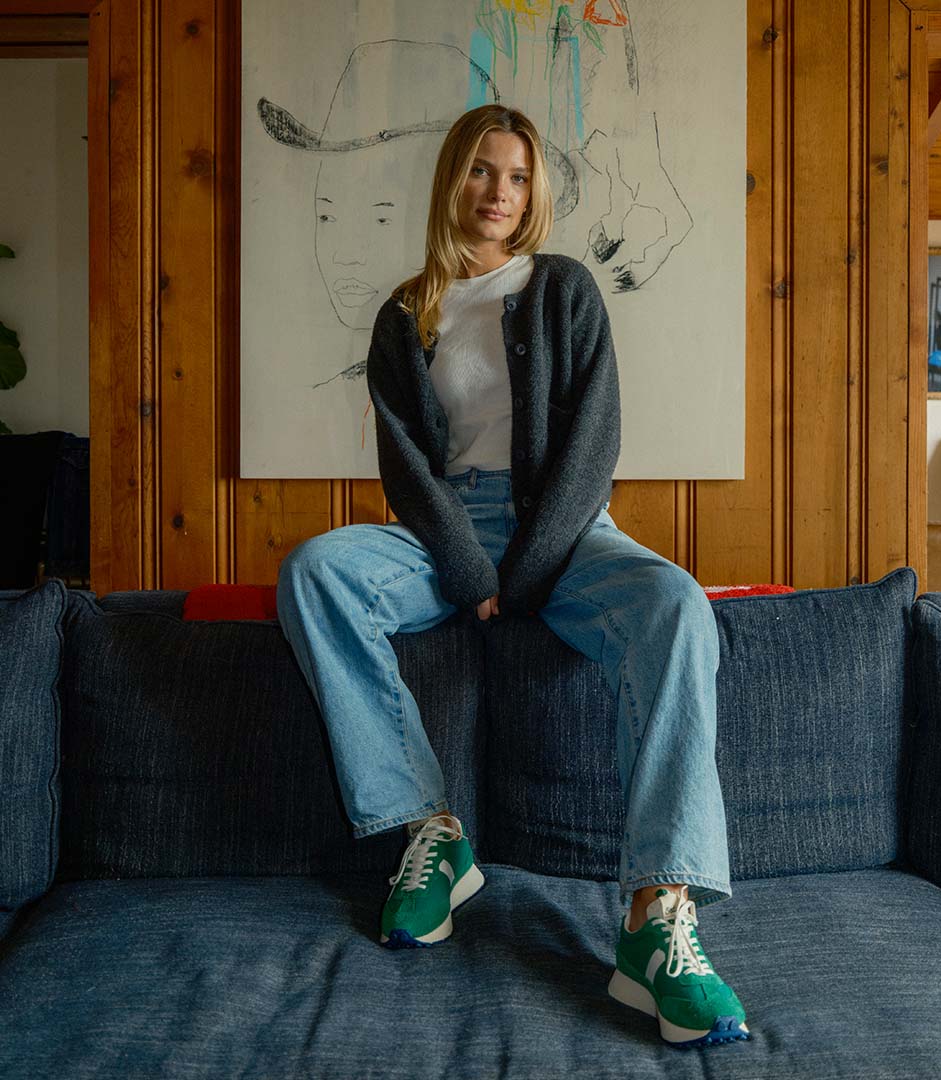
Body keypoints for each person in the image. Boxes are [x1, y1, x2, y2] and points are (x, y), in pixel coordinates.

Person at [276, 103, 750, 1050]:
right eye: (484, 171)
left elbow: (592, 443)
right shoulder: (403, 312)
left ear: (535, 192)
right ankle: (430, 831)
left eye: (519, 176)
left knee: (675, 605)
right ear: (454, 176)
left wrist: (524, 569)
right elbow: (407, 464)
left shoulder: (564, 288)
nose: (500, 192)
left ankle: (656, 922)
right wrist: (465, 560)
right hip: (445, 526)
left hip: (567, 531)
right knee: (318, 571)